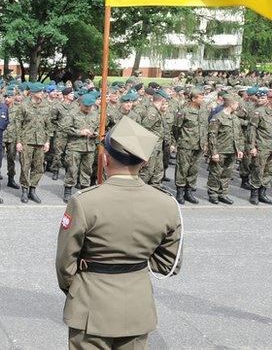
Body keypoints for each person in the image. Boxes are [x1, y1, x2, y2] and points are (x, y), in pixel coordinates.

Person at [56, 116, 182, 350]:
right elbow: (169, 264)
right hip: (137, 304)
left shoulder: (84, 202)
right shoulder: (166, 204)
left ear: (105, 158)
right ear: (143, 163)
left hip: (91, 303)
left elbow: (65, 263)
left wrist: (76, 290)